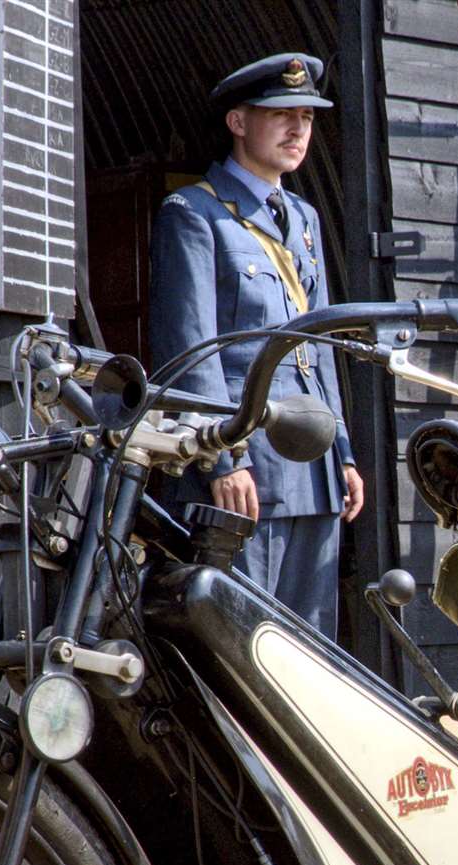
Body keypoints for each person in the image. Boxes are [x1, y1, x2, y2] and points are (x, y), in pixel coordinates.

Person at [149, 53, 365, 636]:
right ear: (238, 123)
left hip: (311, 464)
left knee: (309, 647)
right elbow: (191, 347)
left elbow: (318, 342)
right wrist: (222, 458)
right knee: (245, 643)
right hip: (248, 469)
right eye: (281, 115)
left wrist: (340, 451)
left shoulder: (304, 217)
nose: (299, 130)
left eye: (308, 117)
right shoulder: (193, 213)